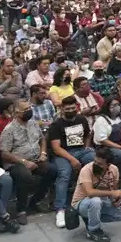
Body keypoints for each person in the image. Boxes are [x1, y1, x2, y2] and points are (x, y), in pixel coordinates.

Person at [0, 99, 55, 222]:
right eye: (25, 109)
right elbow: (4, 153)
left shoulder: (33, 123)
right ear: (17, 113)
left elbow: (42, 139)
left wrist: (43, 153)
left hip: (36, 159)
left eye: (29, 108)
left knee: (52, 170)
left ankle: (36, 201)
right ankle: (21, 210)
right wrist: (24, 162)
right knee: (24, 175)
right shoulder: (9, 130)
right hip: (16, 163)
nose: (29, 111)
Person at [47, 97, 96, 228]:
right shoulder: (56, 125)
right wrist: (73, 160)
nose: (70, 110)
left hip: (81, 150)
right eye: (67, 108)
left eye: (72, 108)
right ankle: (60, 209)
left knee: (96, 163)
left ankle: (95, 196)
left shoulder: (81, 119)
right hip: (62, 154)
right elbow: (56, 148)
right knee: (64, 174)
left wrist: (87, 147)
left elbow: (88, 134)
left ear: (77, 107)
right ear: (62, 109)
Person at [71, 147, 121, 242]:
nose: (96, 165)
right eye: (95, 161)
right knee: (95, 201)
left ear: (108, 165)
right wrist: (112, 193)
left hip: (102, 200)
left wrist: (116, 200)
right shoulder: (86, 169)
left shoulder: (114, 170)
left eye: (100, 164)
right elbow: (90, 193)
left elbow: (113, 190)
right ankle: (93, 230)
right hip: (81, 203)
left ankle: (91, 218)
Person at [92, 98, 121, 180]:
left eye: (118, 105)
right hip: (105, 147)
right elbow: (103, 140)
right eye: (113, 105)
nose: (116, 107)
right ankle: (115, 178)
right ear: (107, 107)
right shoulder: (101, 120)